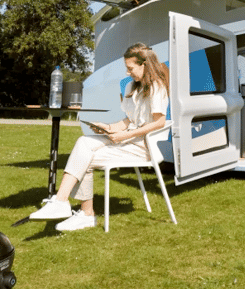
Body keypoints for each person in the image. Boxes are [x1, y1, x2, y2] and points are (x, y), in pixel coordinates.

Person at [29, 43, 170, 231]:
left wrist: (124, 135)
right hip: (126, 139)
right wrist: (109, 128)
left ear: (144, 64)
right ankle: (63, 202)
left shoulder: (157, 87)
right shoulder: (131, 87)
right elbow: (128, 120)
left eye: (130, 68)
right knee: (83, 142)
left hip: (142, 148)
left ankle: (81, 212)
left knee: (85, 158)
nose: (128, 73)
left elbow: (159, 123)